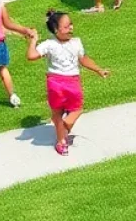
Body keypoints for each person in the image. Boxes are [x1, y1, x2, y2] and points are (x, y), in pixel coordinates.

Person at [26, 10, 110, 155]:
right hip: (71, 83)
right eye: (66, 26)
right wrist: (98, 70)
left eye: (71, 24)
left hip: (54, 83)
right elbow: (83, 60)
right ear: (56, 30)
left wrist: (33, 41)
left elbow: (31, 55)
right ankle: (65, 129)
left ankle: (61, 142)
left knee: (56, 114)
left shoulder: (49, 44)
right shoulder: (74, 43)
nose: (70, 28)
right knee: (76, 109)